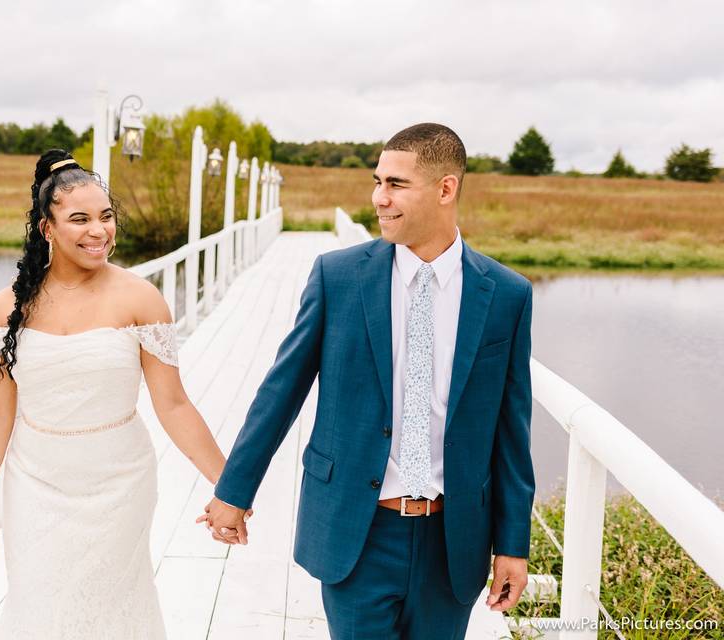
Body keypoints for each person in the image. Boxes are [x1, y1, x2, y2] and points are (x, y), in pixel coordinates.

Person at [201, 123, 535, 638]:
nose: (379, 198)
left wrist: (513, 543)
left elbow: (513, 431)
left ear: (446, 189)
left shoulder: (507, 295)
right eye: (378, 181)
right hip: (357, 532)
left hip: (454, 542)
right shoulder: (338, 277)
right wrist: (234, 490)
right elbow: (281, 391)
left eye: (396, 184)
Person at [0, 149, 230, 639]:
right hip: (34, 484)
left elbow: (173, 404)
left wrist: (229, 486)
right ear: (48, 229)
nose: (98, 231)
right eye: (79, 219)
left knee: (114, 609)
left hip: (120, 484)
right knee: (38, 607)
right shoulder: (6, 309)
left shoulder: (140, 299)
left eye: (106, 217)